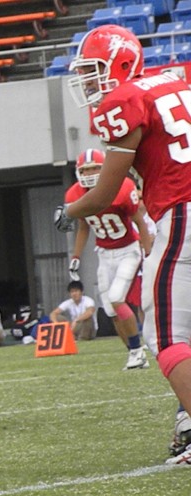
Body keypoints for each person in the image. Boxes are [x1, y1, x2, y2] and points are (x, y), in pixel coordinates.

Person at [55, 23, 191, 464]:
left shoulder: (126, 100)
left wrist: (68, 211)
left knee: (166, 335)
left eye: (92, 69)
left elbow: (104, 193)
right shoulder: (172, 81)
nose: (86, 80)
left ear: (121, 63)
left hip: (182, 212)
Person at [65, 148, 151, 369]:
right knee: (111, 310)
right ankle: (134, 353)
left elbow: (139, 222)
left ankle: (138, 350)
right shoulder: (75, 194)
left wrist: (148, 251)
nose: (90, 173)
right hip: (103, 254)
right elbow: (84, 226)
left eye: (95, 168)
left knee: (116, 298)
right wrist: (76, 256)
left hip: (128, 250)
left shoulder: (121, 187)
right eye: (85, 170)